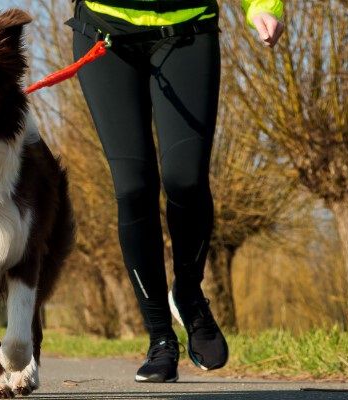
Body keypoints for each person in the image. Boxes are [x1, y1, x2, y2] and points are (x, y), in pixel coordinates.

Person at [68, 0, 284, 383]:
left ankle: (188, 291)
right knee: (134, 186)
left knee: (186, 177)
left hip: (187, 29)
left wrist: (263, 7)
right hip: (104, 33)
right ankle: (160, 338)